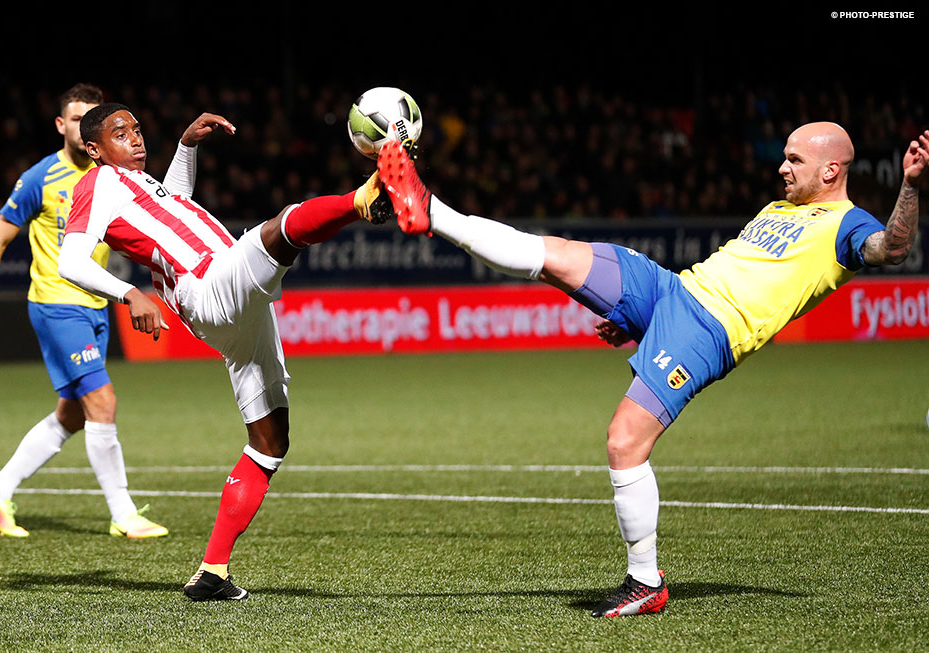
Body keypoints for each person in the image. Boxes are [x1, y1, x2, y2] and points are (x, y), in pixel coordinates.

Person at [375, 123, 929, 617]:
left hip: (707, 331)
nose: (781, 167)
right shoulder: (779, 209)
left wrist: (910, 185)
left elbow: (893, 247)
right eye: (784, 157)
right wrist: (645, 321)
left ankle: (645, 580)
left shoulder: (846, 225)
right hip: (673, 291)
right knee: (554, 254)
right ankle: (431, 209)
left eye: (795, 160)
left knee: (624, 442)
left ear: (832, 170)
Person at [57, 102, 392, 601]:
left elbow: (175, 200)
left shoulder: (139, 186)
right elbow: (70, 260)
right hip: (208, 285)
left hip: (228, 314)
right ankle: (362, 199)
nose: (135, 139)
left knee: (270, 442)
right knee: (279, 230)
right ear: (94, 149)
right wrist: (129, 294)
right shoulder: (98, 184)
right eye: (120, 133)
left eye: (137, 129)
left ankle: (212, 571)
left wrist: (187, 146)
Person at [0, 84, 168, 540]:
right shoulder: (40, 178)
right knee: (103, 402)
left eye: (90, 117)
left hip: (96, 305)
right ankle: (123, 513)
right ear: (63, 126)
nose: (81, 125)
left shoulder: (114, 177)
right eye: (74, 119)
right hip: (56, 305)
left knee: (73, 414)